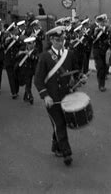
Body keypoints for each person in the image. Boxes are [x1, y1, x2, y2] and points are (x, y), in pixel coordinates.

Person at [34, 26, 85, 166]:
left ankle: (56, 146)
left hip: (66, 96)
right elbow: (38, 79)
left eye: (63, 39)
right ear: (51, 40)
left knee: (60, 124)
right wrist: (45, 96)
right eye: (58, 39)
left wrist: (81, 77)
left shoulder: (69, 54)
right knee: (60, 124)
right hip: (52, 98)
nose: (61, 42)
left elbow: (76, 71)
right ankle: (66, 153)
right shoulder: (44, 56)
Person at [91, 14, 111, 92]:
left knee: (105, 67)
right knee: (100, 68)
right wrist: (95, 33)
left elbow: (109, 38)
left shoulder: (107, 28)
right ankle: (101, 85)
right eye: (100, 21)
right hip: (97, 51)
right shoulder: (93, 28)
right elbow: (90, 39)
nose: (102, 23)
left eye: (103, 21)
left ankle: (103, 81)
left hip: (105, 51)